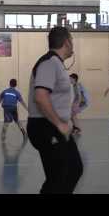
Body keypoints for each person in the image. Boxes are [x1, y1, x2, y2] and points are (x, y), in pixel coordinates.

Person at [26, 27, 83, 194]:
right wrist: (59, 123)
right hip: (46, 126)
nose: (72, 44)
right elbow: (41, 96)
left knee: (72, 169)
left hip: (54, 126)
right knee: (60, 176)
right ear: (66, 42)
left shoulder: (57, 63)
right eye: (71, 40)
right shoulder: (49, 62)